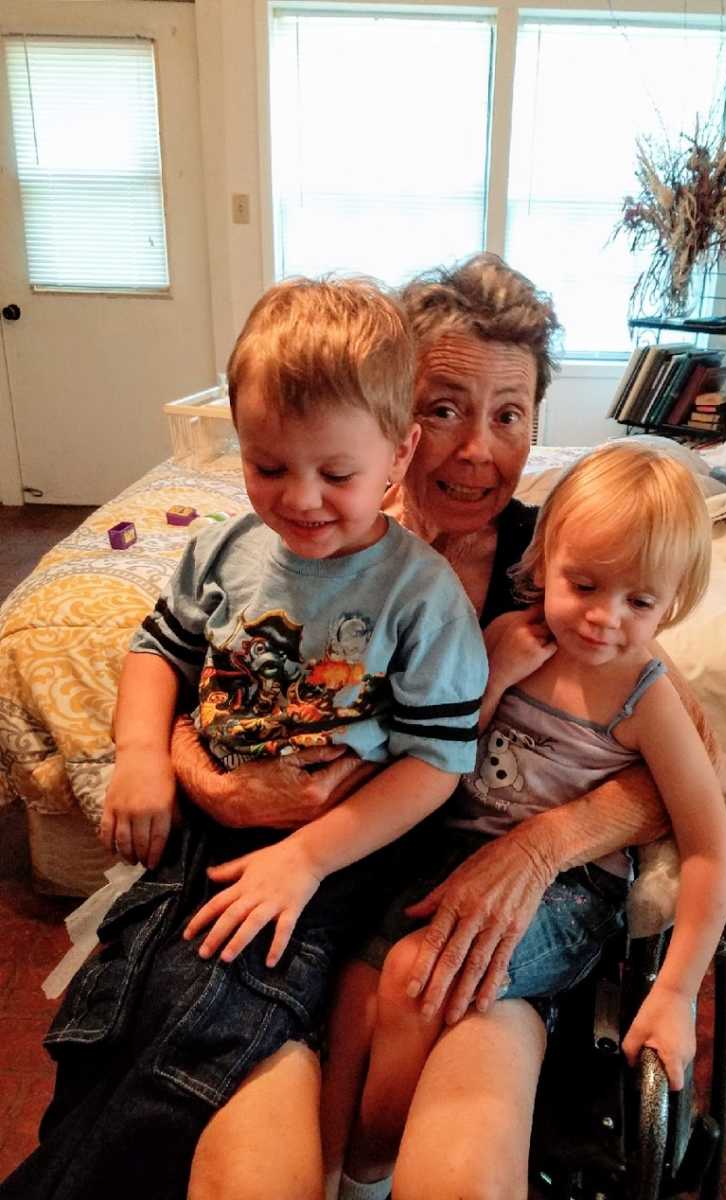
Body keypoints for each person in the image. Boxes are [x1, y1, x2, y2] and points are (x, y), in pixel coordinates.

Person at [171, 254, 726, 1200]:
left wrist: (548, 843)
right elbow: (207, 682)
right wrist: (203, 774)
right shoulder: (325, 526)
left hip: (463, 893)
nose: (477, 449)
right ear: (389, 417)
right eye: (443, 409)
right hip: (318, 883)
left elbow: (672, 760)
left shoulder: (557, 568)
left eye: (509, 416)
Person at [0, 277, 489, 1200]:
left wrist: (304, 860)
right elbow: (157, 652)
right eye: (269, 467)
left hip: (327, 865)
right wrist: (145, 755)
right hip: (193, 840)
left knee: (210, 1021)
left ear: (400, 452)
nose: (300, 500)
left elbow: (434, 766)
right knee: (120, 1008)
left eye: (335, 475)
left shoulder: (419, 597)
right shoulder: (221, 552)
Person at [328, 442, 726, 1200]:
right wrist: (496, 674)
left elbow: (712, 849)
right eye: (584, 583)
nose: (605, 618)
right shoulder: (511, 640)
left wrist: (676, 995)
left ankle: (365, 1175)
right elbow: (447, 749)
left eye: (640, 602)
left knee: (417, 978)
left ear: (672, 604)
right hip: (448, 850)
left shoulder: (646, 697)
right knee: (360, 991)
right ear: (544, 559)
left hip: (572, 893)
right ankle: (338, 1160)